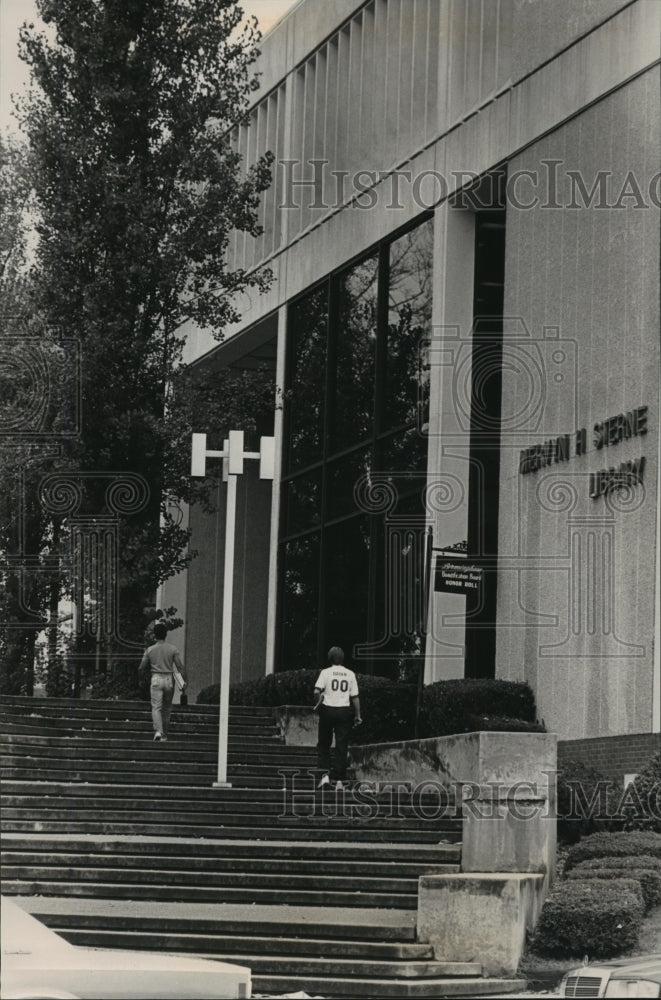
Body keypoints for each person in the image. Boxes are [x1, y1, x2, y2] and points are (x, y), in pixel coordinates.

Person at [314, 646, 361, 789]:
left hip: (327, 710)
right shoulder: (350, 674)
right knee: (341, 745)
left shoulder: (325, 672)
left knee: (324, 743)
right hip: (344, 711)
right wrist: (358, 715)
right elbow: (355, 698)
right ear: (342, 659)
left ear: (330, 658)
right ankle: (340, 780)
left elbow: (317, 691)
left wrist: (318, 702)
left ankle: (324, 776)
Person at [139, 622, 187, 742]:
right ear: (166, 634)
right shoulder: (172, 649)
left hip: (156, 678)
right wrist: (184, 680)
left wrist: (141, 679)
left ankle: (158, 731)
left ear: (155, 635)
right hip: (169, 679)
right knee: (166, 708)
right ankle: (164, 734)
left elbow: (141, 667)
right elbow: (179, 666)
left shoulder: (150, 650)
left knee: (156, 707)